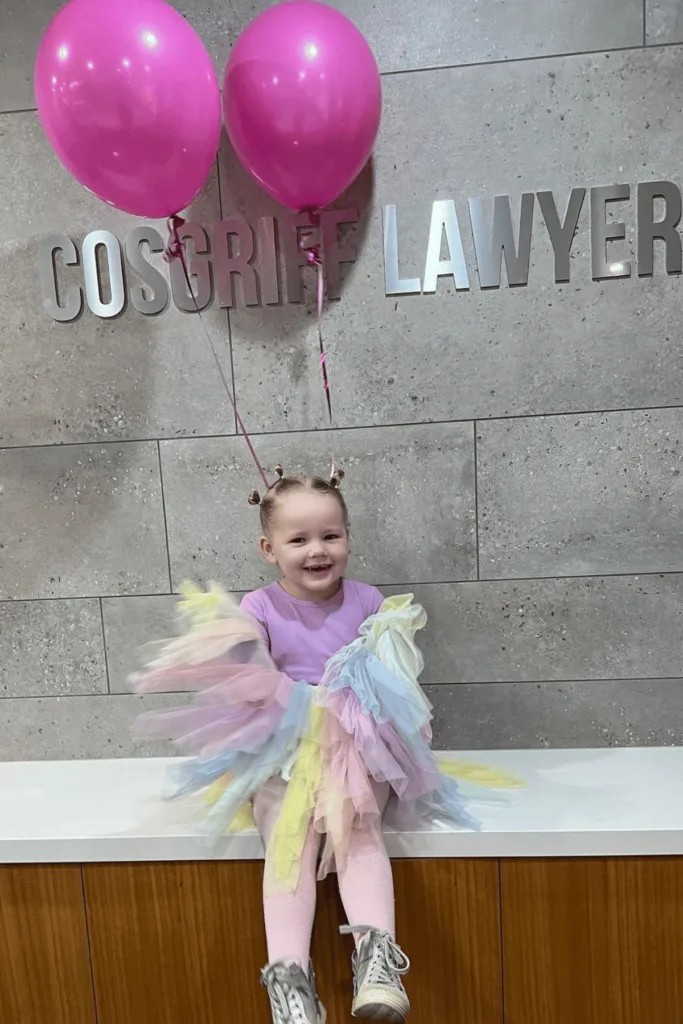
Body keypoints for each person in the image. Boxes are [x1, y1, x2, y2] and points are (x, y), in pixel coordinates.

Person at [133, 464, 479, 1024]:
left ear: (348, 536)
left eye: (330, 536)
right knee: (288, 835)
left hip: (358, 745)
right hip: (282, 748)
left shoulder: (369, 602)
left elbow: (391, 683)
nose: (317, 551)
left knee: (359, 828)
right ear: (269, 548)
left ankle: (376, 960)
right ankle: (289, 978)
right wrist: (240, 656)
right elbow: (248, 681)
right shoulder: (260, 608)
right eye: (299, 540)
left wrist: (383, 651)